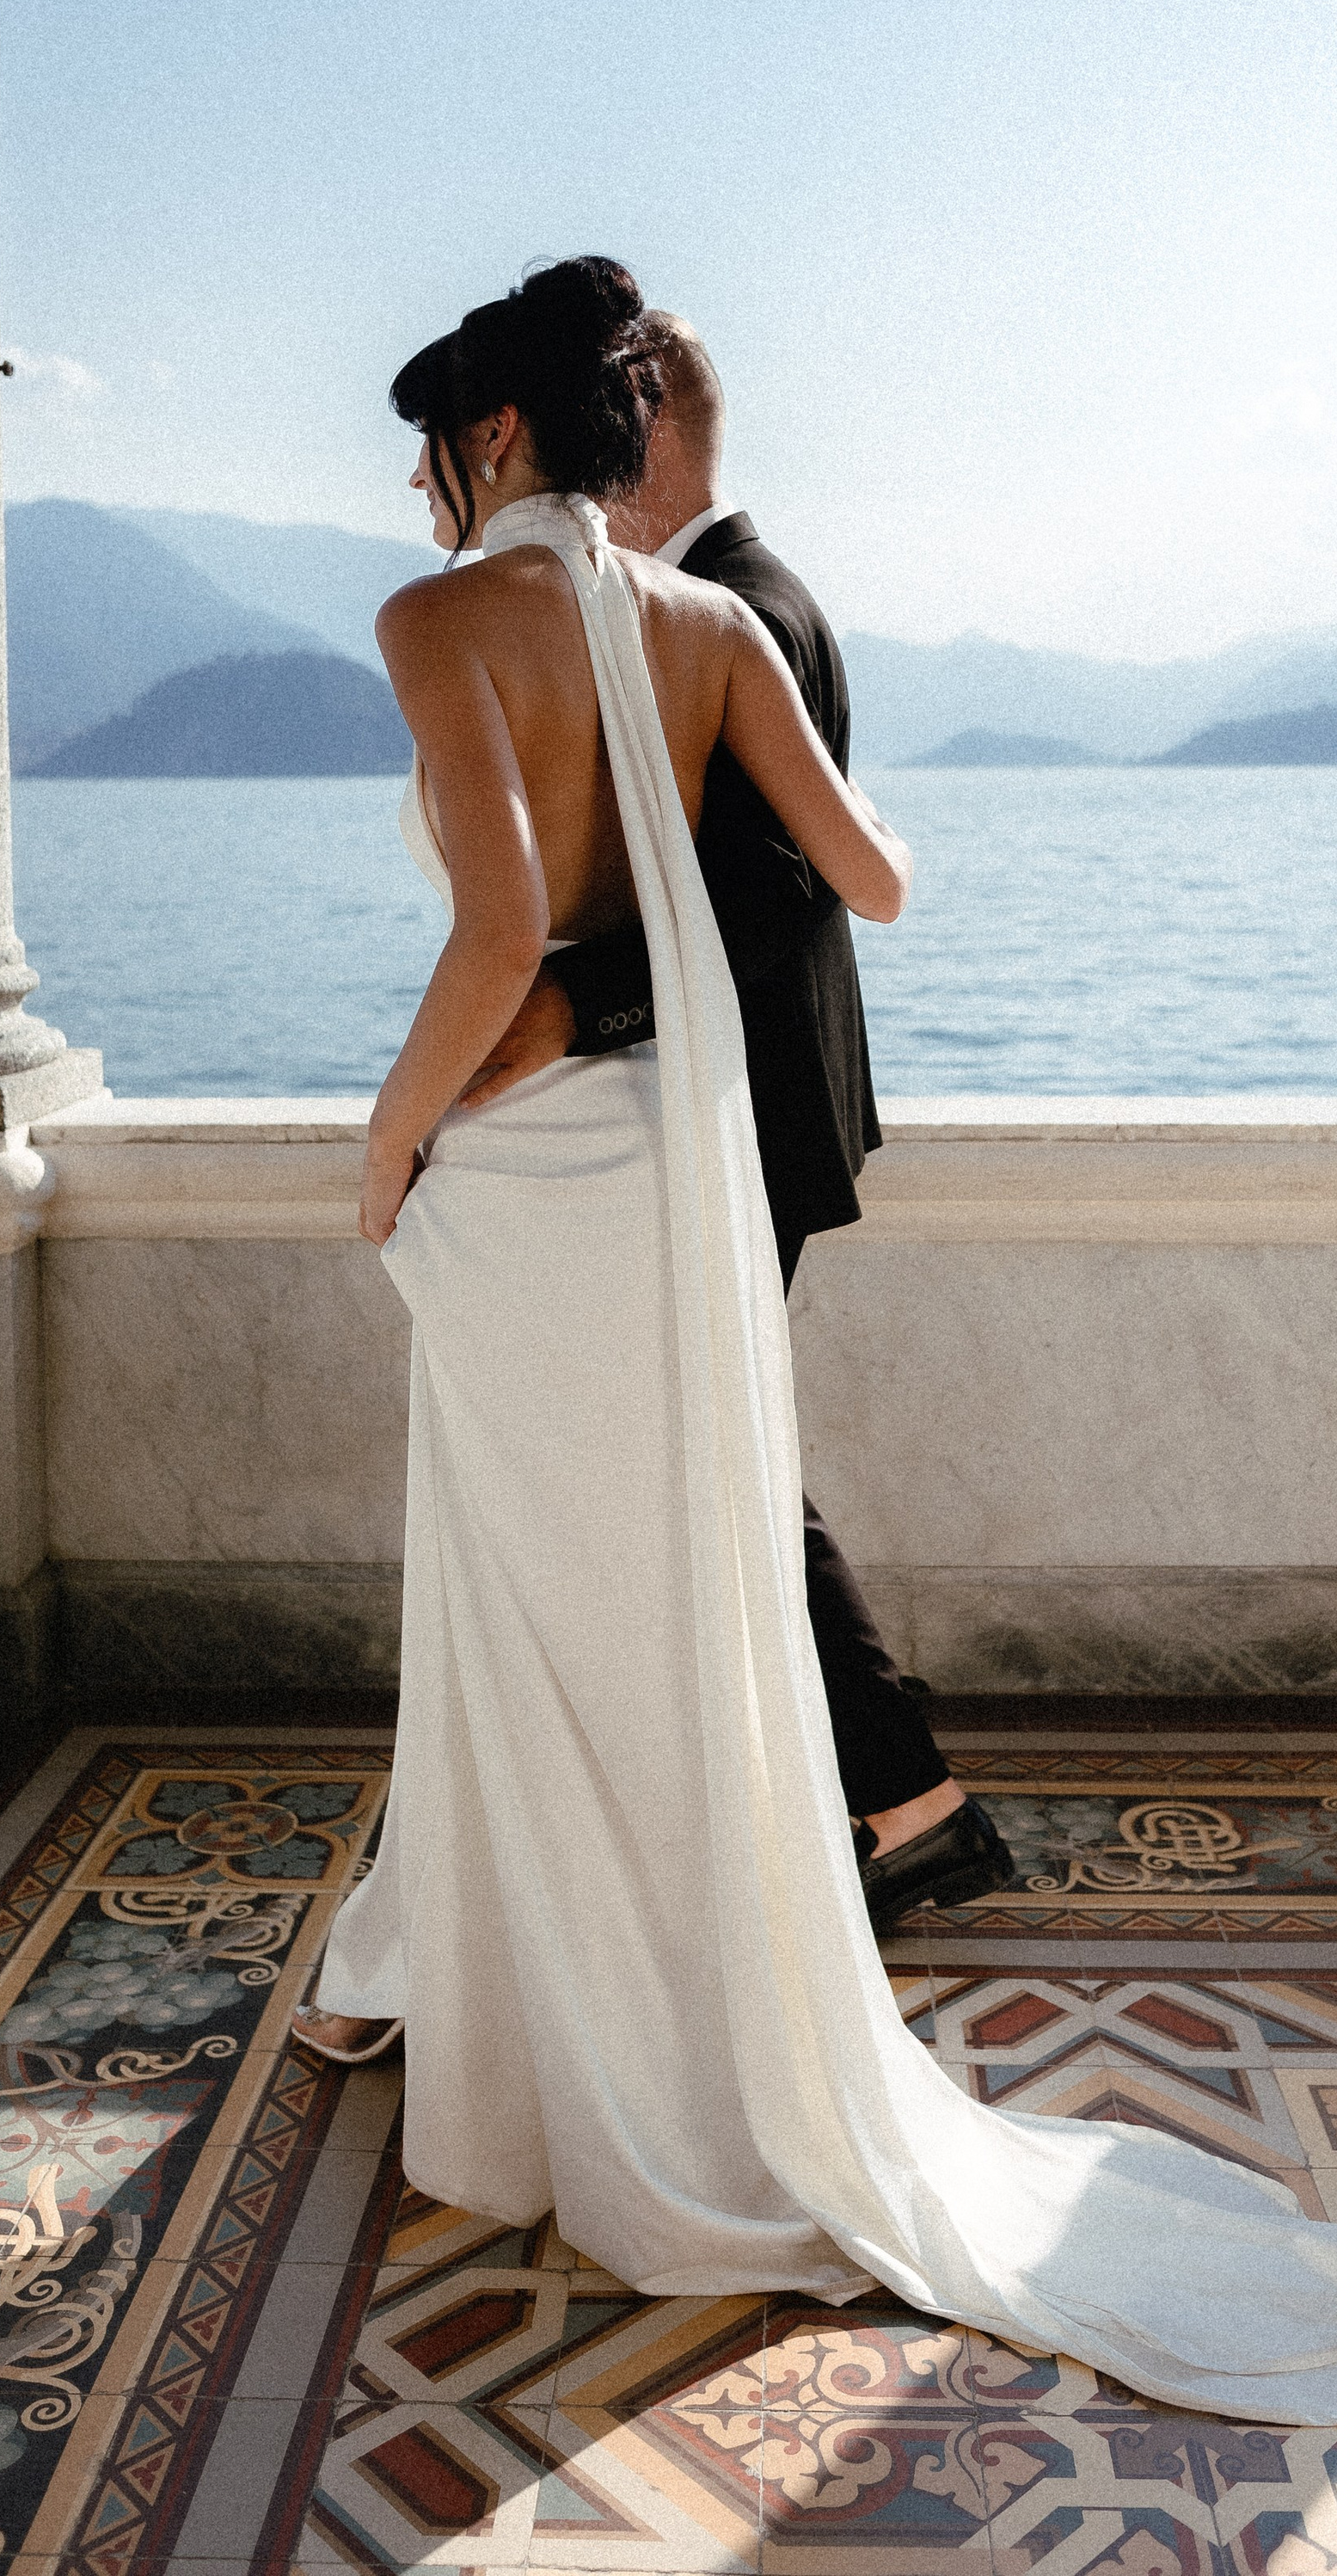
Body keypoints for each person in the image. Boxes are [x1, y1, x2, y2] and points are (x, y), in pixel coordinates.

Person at [297, 258, 1337, 2422]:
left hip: (529, 1175)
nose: (423, 491)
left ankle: (549, 2036)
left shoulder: (440, 620)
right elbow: (878, 880)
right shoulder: (715, 629)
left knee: (533, 1597)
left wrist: (380, 1149)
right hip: (679, 1163)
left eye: (434, 453)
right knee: (672, 1592)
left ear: (494, 436)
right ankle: (675, 2026)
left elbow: (492, 934)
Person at [457, 313, 1010, 1934]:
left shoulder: (736, 605)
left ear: (636, 430)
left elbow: (777, 889)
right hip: (749, 1098)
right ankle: (857, 1801)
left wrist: (572, 1007)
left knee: (725, 1464)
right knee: (719, 1456)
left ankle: (910, 1804)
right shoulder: (740, 594)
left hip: (737, 1107)